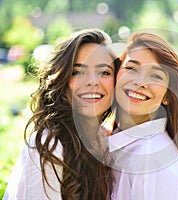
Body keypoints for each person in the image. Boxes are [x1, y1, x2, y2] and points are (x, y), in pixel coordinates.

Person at [4, 28, 120, 200]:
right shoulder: (49, 147)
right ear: (62, 81)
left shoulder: (106, 140)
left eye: (104, 72)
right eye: (77, 72)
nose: (92, 82)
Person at [108, 32, 178, 200]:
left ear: (168, 95)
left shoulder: (150, 159)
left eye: (155, 76)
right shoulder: (123, 145)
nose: (140, 82)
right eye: (132, 68)